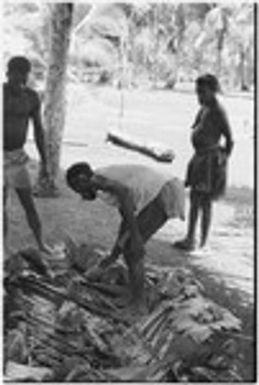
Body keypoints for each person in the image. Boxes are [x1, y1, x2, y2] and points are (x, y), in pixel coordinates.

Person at [66, 163, 185, 310]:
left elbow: (124, 193)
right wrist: (110, 259)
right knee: (130, 245)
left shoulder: (98, 181)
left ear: (82, 179)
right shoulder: (105, 179)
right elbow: (126, 222)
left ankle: (138, 304)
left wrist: (136, 238)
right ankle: (134, 295)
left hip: (163, 190)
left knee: (132, 250)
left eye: (78, 190)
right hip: (165, 186)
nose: (81, 195)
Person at [174, 74, 234, 251]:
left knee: (204, 201)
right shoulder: (205, 108)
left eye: (202, 92)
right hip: (200, 158)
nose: (199, 96)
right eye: (197, 92)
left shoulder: (218, 111)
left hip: (210, 161)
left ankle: (202, 241)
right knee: (194, 199)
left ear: (213, 90)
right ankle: (190, 237)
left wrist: (222, 160)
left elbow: (230, 139)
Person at [4, 56, 50, 254]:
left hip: (18, 156)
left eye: (23, 77)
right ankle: (3, 248)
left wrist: (45, 162)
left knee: (28, 203)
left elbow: (39, 130)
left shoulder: (32, 97)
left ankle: (41, 243)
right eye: (15, 77)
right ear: (8, 74)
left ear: (27, 76)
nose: (19, 81)